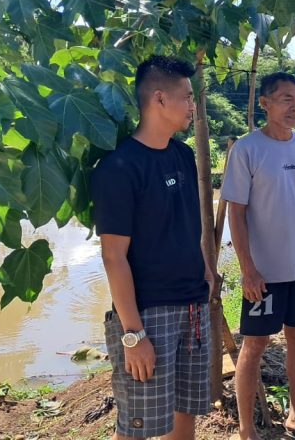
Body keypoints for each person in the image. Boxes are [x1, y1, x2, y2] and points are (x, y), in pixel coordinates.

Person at [91, 55, 218, 440]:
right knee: (137, 428)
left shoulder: (182, 154)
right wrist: (133, 335)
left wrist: (207, 272)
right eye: (187, 97)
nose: (193, 106)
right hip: (149, 314)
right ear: (159, 99)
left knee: (185, 415)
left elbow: (190, 226)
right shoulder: (119, 167)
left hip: (193, 307)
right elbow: (113, 256)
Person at [222, 72, 295, 440]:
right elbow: (236, 213)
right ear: (265, 104)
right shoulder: (247, 149)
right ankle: (246, 429)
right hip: (264, 274)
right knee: (254, 344)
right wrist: (248, 270)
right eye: (286, 99)